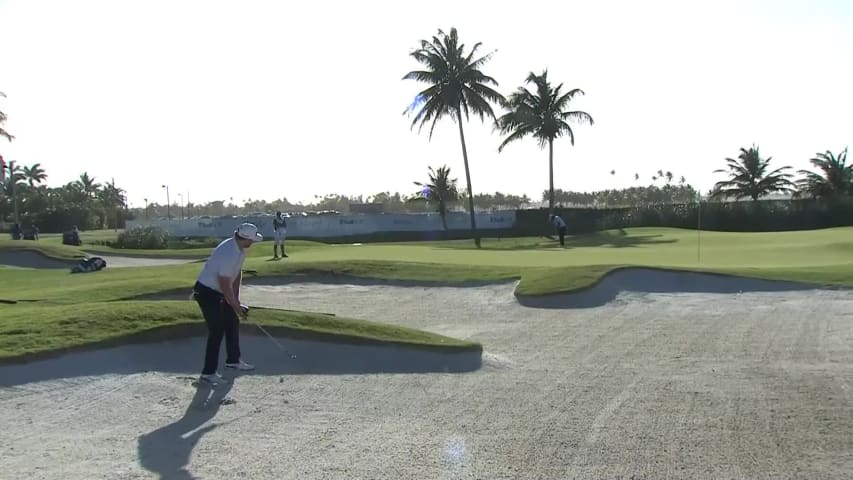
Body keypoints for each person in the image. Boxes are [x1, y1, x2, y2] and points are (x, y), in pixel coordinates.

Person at [192, 222, 263, 386]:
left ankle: (233, 360)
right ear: (244, 238)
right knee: (216, 330)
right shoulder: (228, 252)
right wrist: (236, 307)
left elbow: (236, 276)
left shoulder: (241, 249)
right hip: (207, 293)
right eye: (251, 240)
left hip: (218, 291)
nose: (252, 243)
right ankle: (208, 373)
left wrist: (236, 302)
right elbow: (224, 284)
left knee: (232, 321)